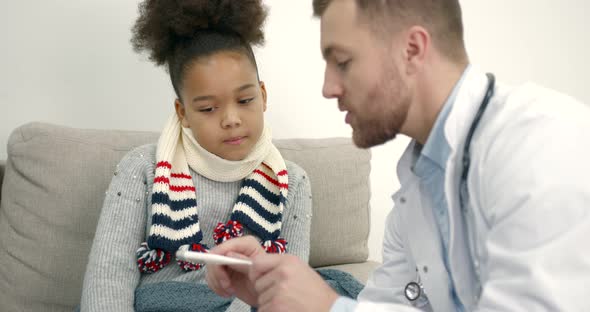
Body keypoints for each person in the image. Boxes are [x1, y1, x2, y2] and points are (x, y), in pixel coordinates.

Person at [206, 0, 590, 311]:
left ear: (412, 49)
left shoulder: (541, 143)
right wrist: (274, 292)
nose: (328, 87)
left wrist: (329, 307)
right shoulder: (415, 194)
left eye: (342, 61)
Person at [78, 0, 312, 311]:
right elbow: (108, 277)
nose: (231, 118)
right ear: (183, 112)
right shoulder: (142, 169)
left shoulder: (292, 182)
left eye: (245, 100)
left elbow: (288, 288)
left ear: (263, 95)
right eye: (208, 108)